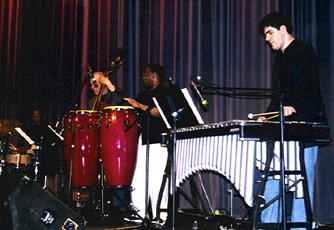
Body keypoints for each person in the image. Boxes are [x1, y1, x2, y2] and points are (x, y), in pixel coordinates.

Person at [257, 11, 328, 228]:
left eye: (270, 33)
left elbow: (311, 89)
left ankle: (299, 226)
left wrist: (295, 107)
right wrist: (266, 115)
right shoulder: (279, 60)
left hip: (305, 125)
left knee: (302, 184)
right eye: (265, 35)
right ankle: (269, 225)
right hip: (282, 127)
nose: (268, 39)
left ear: (283, 29)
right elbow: (277, 96)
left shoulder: (304, 50)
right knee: (271, 178)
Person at [124, 64, 171, 224]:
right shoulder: (143, 94)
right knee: (137, 178)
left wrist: (139, 105)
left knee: (157, 180)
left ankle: (160, 216)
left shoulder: (165, 93)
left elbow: (160, 112)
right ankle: (139, 213)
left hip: (159, 142)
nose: (143, 77)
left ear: (155, 75)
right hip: (142, 141)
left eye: (146, 74)